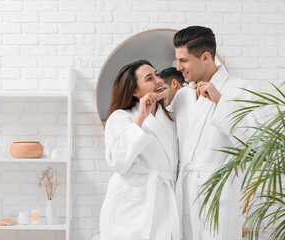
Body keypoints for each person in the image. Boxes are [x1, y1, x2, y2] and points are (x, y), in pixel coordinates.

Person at [173, 26, 256, 240]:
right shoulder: (182, 96)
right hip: (186, 191)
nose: (177, 66)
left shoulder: (238, 89)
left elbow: (254, 142)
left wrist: (221, 102)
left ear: (206, 56)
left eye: (183, 60)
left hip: (218, 193)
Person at [99, 60, 180, 240]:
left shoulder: (169, 118)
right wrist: (141, 117)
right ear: (135, 91)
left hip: (165, 200)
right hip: (132, 205)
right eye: (149, 78)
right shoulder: (121, 117)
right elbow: (118, 162)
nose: (159, 80)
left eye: (157, 74)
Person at [159, 67, 197, 176]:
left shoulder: (192, 97)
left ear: (174, 84)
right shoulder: (172, 109)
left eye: (163, 89)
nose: (161, 96)